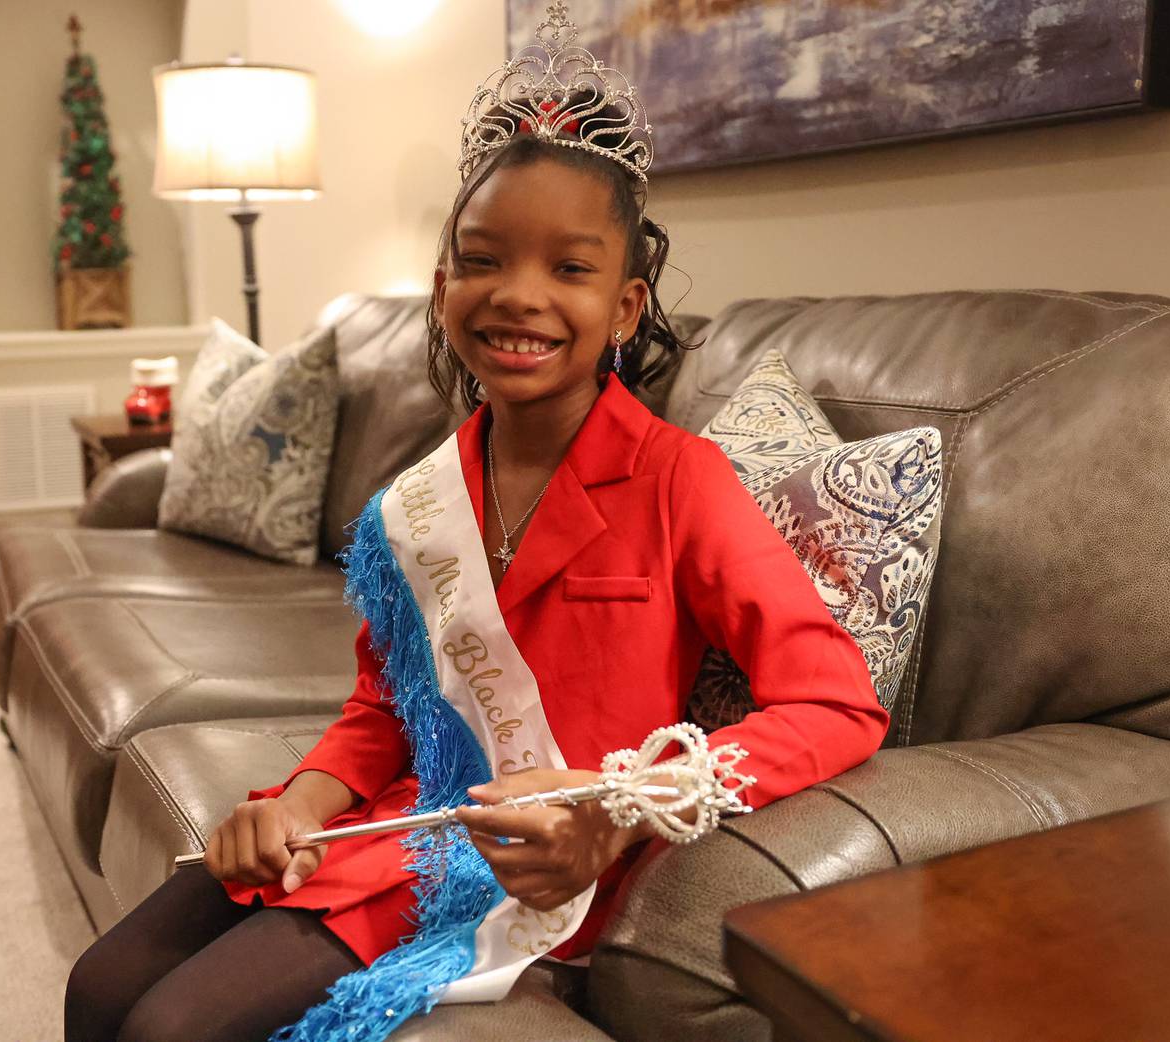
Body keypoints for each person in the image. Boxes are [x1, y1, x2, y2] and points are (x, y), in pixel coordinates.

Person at [64, 6, 888, 1041]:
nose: (519, 296)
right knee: (101, 985)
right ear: (445, 282)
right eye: (483, 259)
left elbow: (837, 704)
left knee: (171, 1026)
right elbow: (382, 710)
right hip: (397, 825)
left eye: (570, 268)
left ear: (628, 308)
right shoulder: (416, 502)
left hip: (530, 863)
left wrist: (625, 800)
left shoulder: (682, 481)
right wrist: (294, 808)